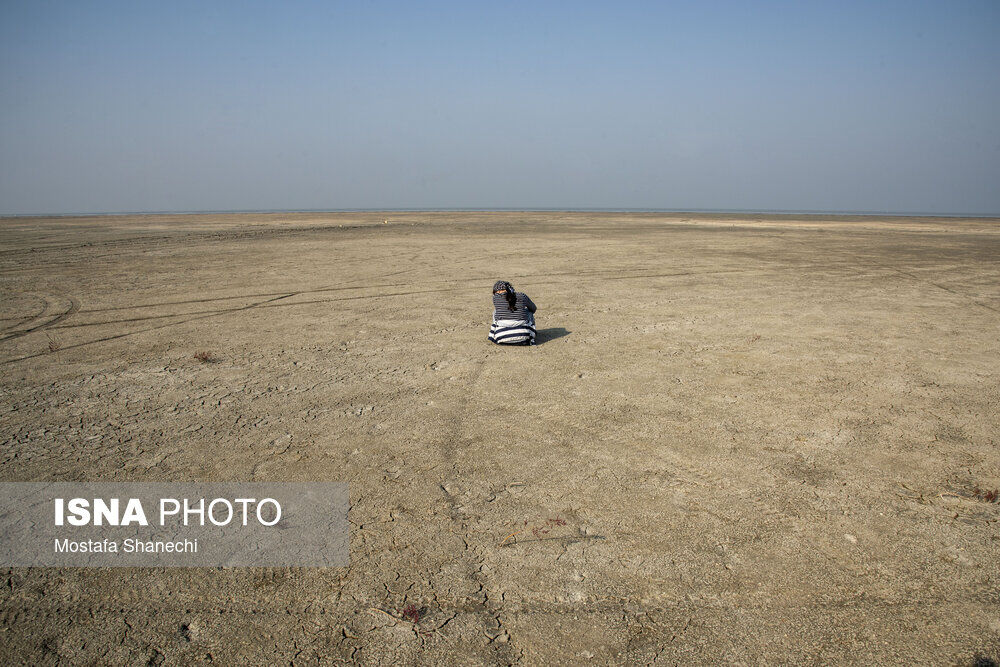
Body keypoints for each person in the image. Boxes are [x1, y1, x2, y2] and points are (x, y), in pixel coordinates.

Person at [489, 280, 537, 345]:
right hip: (524, 335)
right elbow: (533, 308)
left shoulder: (495, 298)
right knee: (529, 311)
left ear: (497, 291)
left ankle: (497, 331)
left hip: (501, 336)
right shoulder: (522, 296)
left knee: (495, 312)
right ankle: (530, 332)